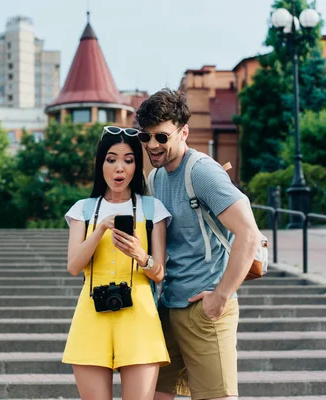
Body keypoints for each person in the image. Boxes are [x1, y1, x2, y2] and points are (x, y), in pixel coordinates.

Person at [135, 88, 262, 400]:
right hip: (168, 307)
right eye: (145, 137)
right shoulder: (156, 178)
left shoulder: (202, 172)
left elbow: (249, 234)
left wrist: (220, 297)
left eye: (161, 137)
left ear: (184, 132)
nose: (152, 145)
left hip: (204, 312)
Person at [63, 126, 172, 400]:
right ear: (101, 164)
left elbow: (159, 274)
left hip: (139, 317)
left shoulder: (152, 209)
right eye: (111, 159)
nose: (119, 168)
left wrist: (140, 255)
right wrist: (99, 229)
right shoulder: (83, 209)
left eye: (128, 159)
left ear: (137, 164)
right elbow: (74, 266)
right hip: (92, 313)